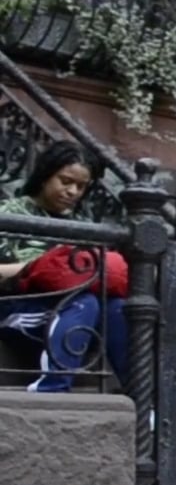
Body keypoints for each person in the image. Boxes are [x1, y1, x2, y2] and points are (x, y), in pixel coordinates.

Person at [0, 141, 128, 392]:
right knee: (85, 303)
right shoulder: (10, 213)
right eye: (65, 181)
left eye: (81, 186)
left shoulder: (81, 225)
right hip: (16, 308)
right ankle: (51, 389)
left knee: (118, 308)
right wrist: (39, 266)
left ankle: (144, 401)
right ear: (46, 176)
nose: (73, 191)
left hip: (75, 313)